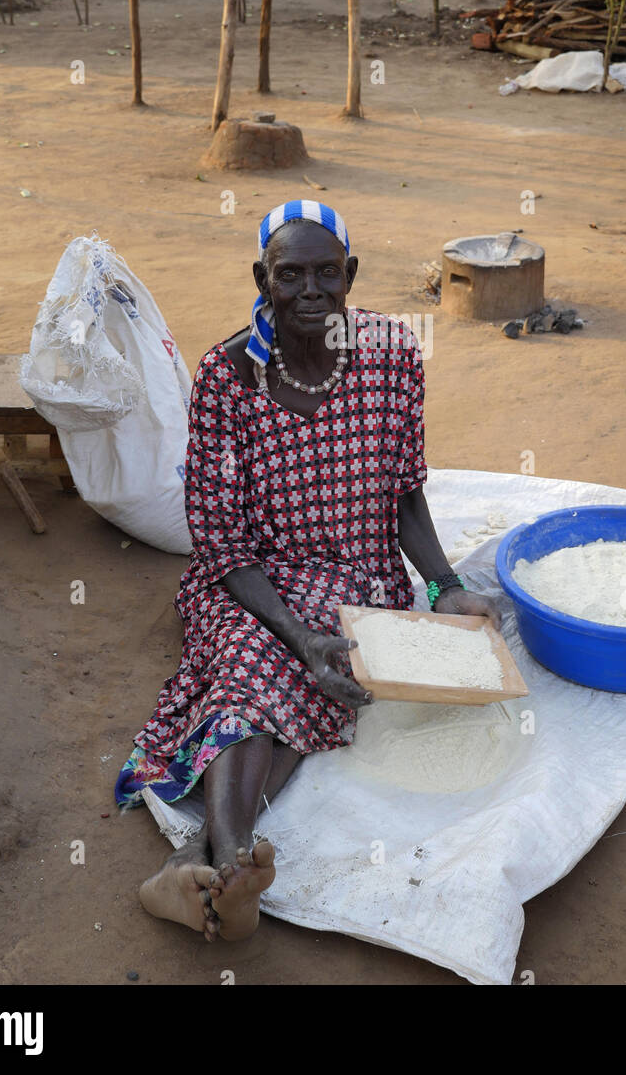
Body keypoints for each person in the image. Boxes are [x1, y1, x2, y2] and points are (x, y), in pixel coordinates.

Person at [117, 200, 497, 942]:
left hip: (358, 576)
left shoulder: (391, 355)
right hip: (255, 583)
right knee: (259, 664)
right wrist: (295, 633)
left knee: (321, 674)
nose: (311, 291)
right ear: (262, 279)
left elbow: (404, 490)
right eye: (290, 275)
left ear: (350, 275)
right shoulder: (227, 376)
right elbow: (220, 541)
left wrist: (444, 585)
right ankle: (230, 867)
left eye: (328, 272)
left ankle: (197, 865)